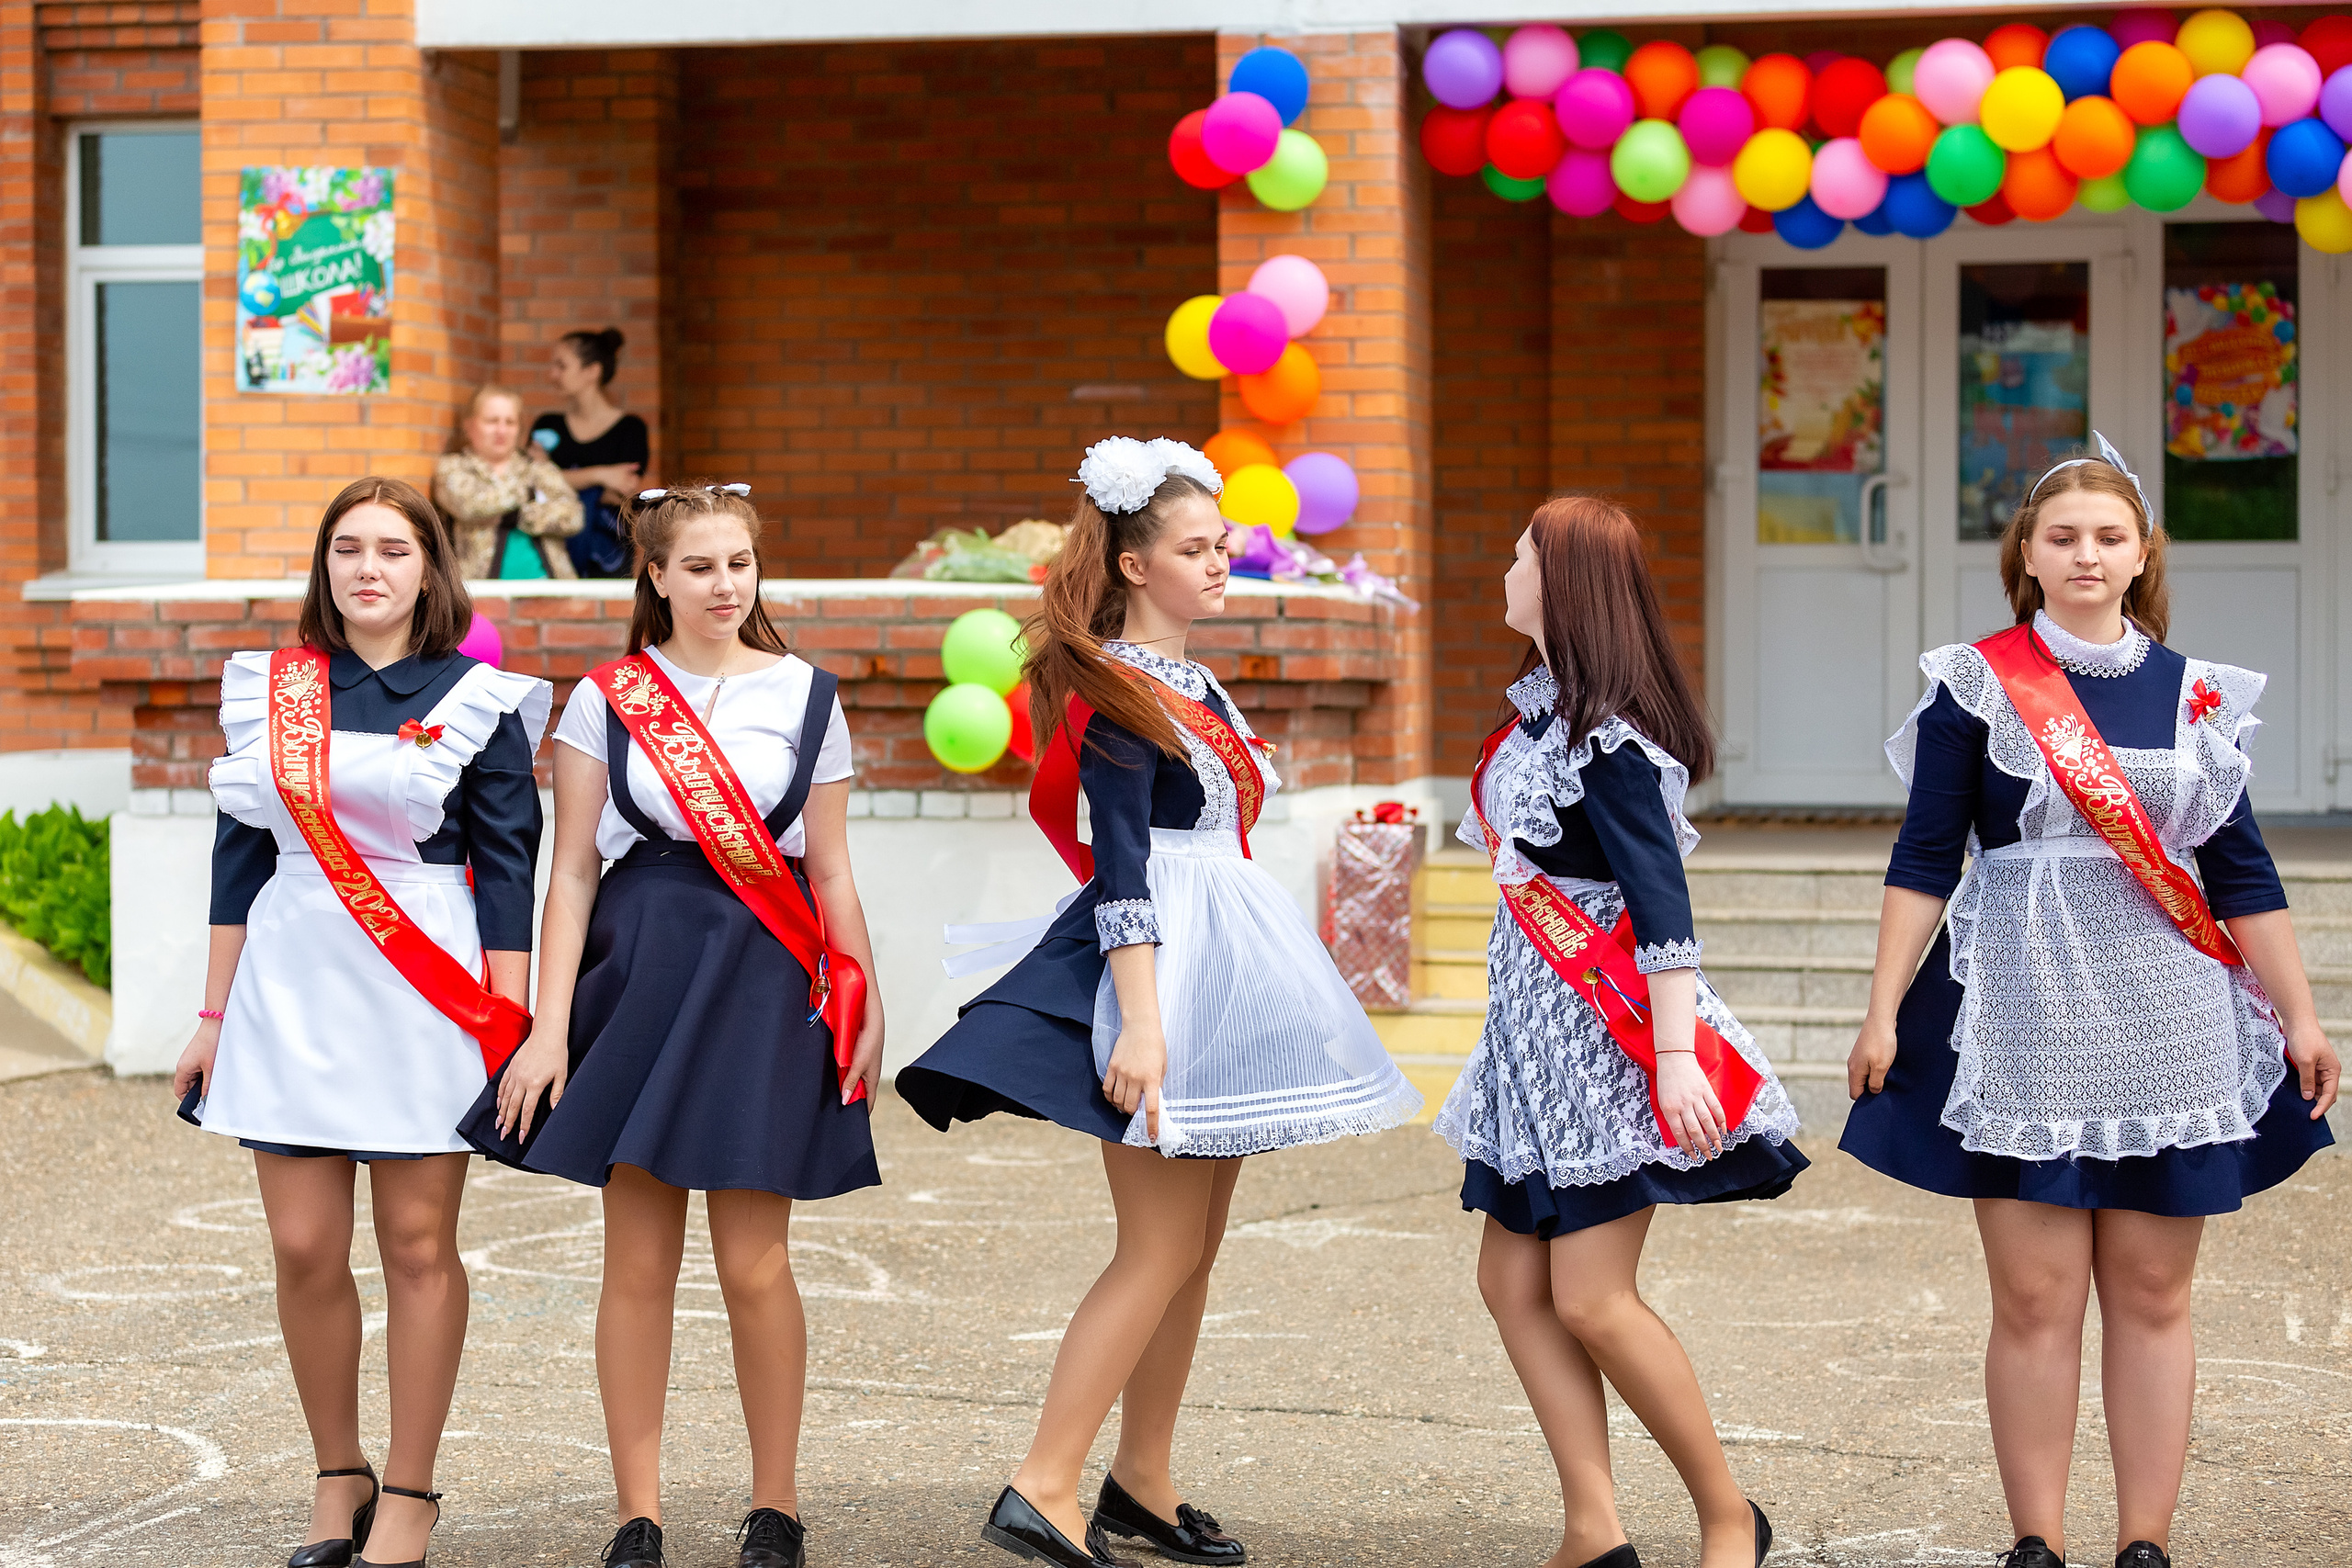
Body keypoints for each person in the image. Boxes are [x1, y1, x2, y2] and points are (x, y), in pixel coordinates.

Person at [896, 437, 1424, 1568]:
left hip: (1219, 964)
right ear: (1135, 566)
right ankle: (1043, 1483)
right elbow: (1123, 866)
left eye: (1223, 543)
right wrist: (1141, 1021)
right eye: (1195, 549)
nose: (1220, 562)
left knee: (1194, 1249)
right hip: (1159, 970)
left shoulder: (1195, 682)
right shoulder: (1120, 686)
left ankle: (1141, 1478)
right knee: (1155, 1246)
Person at [1841, 436, 2340, 1568]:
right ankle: (2037, 1543)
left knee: (2155, 1292)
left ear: (2140, 552)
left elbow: (2242, 870)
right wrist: (1879, 1010)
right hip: (2022, 1000)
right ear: (2026, 550)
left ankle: (2144, 1544)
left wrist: (2301, 1017)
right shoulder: (1976, 683)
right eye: (2060, 535)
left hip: (2169, 1013)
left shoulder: (2199, 694)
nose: (2084, 554)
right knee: (2033, 1293)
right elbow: (1926, 855)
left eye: (2107, 536)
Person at [457, 482, 884, 1568]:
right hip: (639, 979)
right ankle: (635, 1514)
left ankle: (775, 1507)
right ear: (653, 576)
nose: (723, 587)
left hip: (767, 980)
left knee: (755, 1265)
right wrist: (547, 1031)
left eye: (738, 563)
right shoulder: (608, 697)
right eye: (698, 567)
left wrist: (861, 996)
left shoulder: (807, 696)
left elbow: (829, 868)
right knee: (637, 1266)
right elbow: (571, 876)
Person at [172, 477, 552, 1568]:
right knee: (301, 1246)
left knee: (419, 1244)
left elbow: (509, 872)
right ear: (325, 567)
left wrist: (512, 1021)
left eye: (393, 548)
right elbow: (240, 856)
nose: (368, 567)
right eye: (348, 548)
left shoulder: (480, 695)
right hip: (291, 975)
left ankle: (413, 1490)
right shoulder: (272, 691)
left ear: (430, 568)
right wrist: (210, 1014)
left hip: (427, 983)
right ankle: (338, 1471)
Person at [1435, 496, 1804, 1568]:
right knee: (1509, 1282)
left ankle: (1729, 1515)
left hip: (1606, 1047)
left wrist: (1679, 1058)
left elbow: (1662, 906)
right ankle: (1593, 1530)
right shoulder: (1534, 722)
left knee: (1591, 1298)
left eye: (1517, 555)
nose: (1504, 571)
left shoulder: (1612, 744)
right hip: (1531, 1047)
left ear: (1560, 582)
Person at [432, 384, 582, 581]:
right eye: (492, 421)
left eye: (510, 422)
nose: (501, 430)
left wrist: (519, 515)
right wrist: (530, 496)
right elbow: (469, 505)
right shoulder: (453, 468)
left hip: (550, 587)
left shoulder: (539, 469)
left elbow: (574, 517)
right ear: (469, 426)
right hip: (479, 592)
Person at [533, 327, 650, 578]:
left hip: (608, 555)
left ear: (592, 372)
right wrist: (601, 475)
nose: (552, 374)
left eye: (561, 366)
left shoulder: (630, 429)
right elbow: (531, 480)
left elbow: (622, 493)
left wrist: (558, 477)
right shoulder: (547, 424)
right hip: (551, 551)